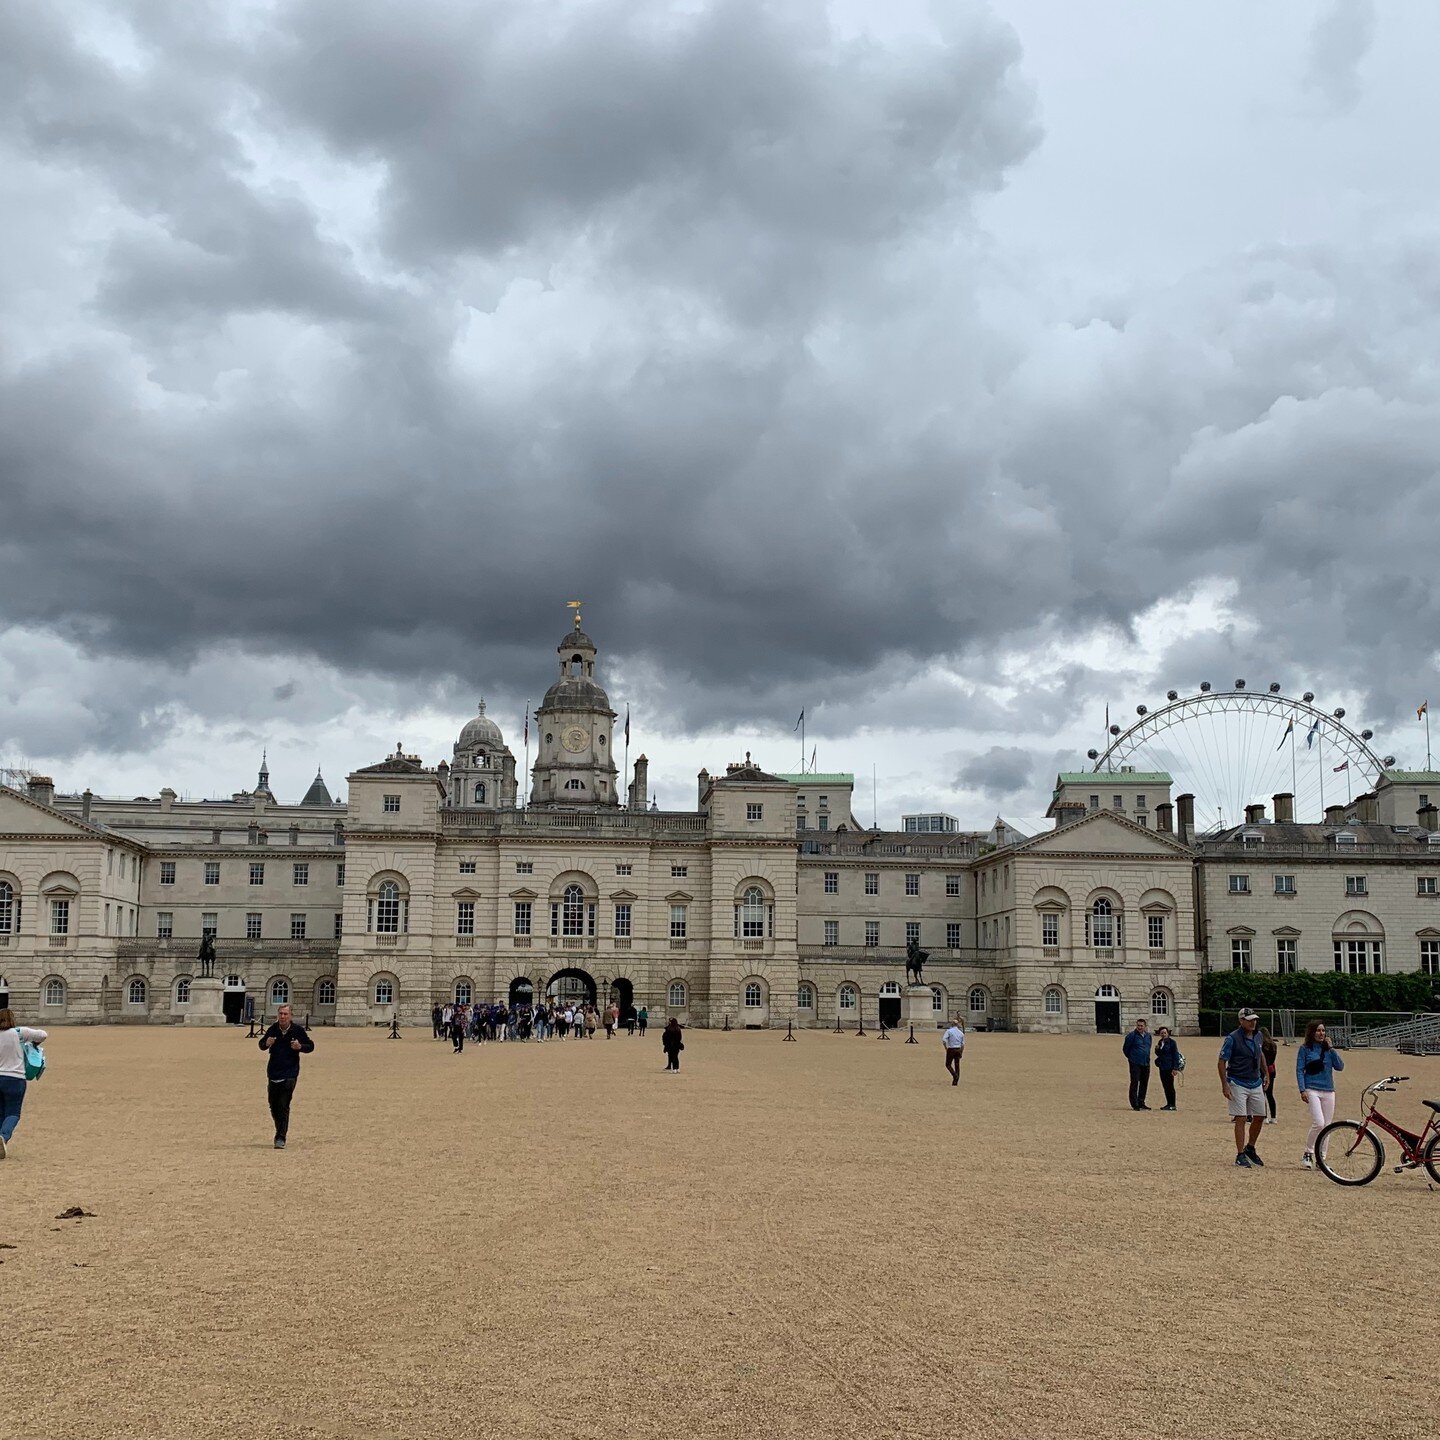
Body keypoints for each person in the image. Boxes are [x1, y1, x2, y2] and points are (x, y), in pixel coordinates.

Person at [259, 1002, 315, 1150]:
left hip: (290, 1072)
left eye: (285, 1014)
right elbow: (261, 1044)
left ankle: (280, 1136)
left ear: (291, 1016)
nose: (283, 1017)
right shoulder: (273, 1029)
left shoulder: (297, 1030)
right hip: (273, 1072)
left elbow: (310, 1046)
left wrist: (300, 1047)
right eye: (281, 1014)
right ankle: (280, 1128)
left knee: (283, 1105)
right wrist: (267, 1043)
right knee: (273, 1105)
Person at [1218, 1008, 1268, 1168]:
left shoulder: (1258, 1036)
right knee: (1241, 1117)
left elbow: (1260, 1054)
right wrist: (1225, 1085)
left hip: (1255, 1081)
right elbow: (1221, 1061)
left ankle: (1250, 1147)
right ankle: (1240, 1154)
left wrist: (1266, 1073)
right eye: (1249, 1020)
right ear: (1241, 1021)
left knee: (1260, 1115)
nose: (1253, 1022)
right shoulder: (1232, 1038)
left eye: (1254, 1019)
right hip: (1237, 1081)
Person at [1296, 1020, 1345, 1170]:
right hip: (1312, 1088)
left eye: (1323, 1031)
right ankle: (1308, 1152)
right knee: (1319, 1123)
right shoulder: (1305, 1049)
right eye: (1318, 1030)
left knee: (1327, 1126)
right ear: (1311, 1033)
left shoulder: (1328, 1050)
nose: (1321, 1033)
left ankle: (1322, 1158)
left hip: (1328, 1090)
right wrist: (1302, 1089)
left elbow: (1340, 1066)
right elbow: (1299, 1069)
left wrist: (1332, 1048)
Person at [0, 1008, 47, 1160]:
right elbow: (43, 1034)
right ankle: (3, 1136)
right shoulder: (19, 1032)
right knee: (13, 1112)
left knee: (1, 1111)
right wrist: (34, 1042)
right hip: (16, 1078)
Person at [1122, 1016, 1152, 1111]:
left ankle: (1141, 1102)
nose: (1140, 1027)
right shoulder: (1131, 1036)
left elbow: (1148, 1047)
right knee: (1135, 1082)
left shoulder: (1148, 1036)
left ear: (1145, 1026)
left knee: (1144, 1083)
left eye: (1141, 1026)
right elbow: (1126, 1049)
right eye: (1138, 1025)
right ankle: (1134, 1104)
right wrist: (1132, 1058)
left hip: (1145, 1062)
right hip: (1135, 1062)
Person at [1154, 1026, 1181, 1111]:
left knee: (1170, 1086)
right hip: (1162, 1067)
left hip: (1169, 1067)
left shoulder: (1172, 1043)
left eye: (1165, 1033)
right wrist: (1157, 1050)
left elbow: (1175, 1055)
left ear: (1168, 1033)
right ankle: (1168, 1103)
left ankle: (1173, 1104)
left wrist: (1175, 1068)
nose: (1163, 1034)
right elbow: (1159, 1054)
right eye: (1161, 1033)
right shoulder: (1160, 1042)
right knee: (1165, 1086)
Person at [1261, 1027, 1279, 1124]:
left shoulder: (1261, 1046)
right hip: (1271, 1070)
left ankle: (1264, 1116)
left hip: (1262, 1070)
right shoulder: (1273, 1045)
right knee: (1270, 1094)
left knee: (1261, 1094)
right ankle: (1273, 1117)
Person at [941, 1016, 965, 1086]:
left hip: (951, 1049)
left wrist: (946, 1048)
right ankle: (955, 1081)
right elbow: (963, 1044)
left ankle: (954, 1075)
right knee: (957, 1065)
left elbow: (944, 1040)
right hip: (958, 1049)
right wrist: (961, 1052)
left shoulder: (949, 1031)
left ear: (952, 1024)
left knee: (948, 1064)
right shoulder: (961, 1033)